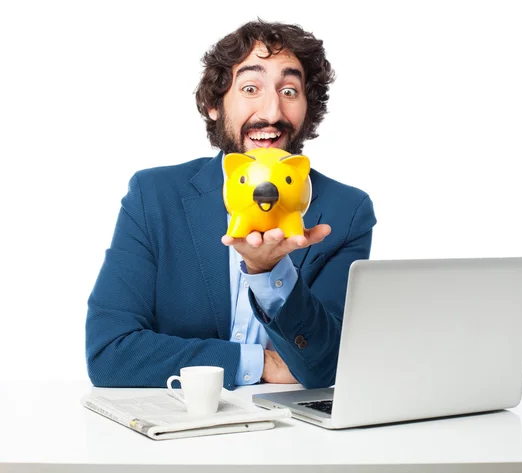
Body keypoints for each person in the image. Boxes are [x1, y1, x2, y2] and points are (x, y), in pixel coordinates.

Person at [85, 19, 377, 390]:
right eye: (250, 88)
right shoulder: (153, 196)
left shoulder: (346, 211)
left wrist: (272, 274)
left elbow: (326, 364)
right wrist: (261, 363)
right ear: (213, 105)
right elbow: (110, 355)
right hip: (179, 427)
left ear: (308, 109)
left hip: (294, 437)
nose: (271, 112)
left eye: (290, 91)